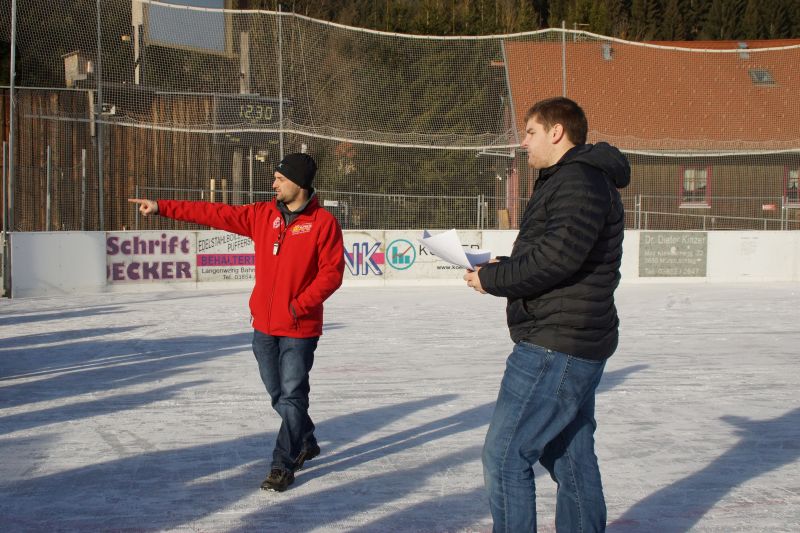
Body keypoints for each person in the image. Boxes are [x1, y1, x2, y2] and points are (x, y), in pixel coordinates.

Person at [129, 152, 344, 492]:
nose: (273, 184)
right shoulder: (262, 215)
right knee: (278, 395)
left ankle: (282, 464)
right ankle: (305, 439)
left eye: (280, 179)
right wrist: (161, 207)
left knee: (292, 395)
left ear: (299, 183)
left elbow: (331, 274)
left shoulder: (323, 223)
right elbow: (214, 213)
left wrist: (297, 307)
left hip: (299, 328)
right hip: (264, 327)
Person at [464, 97, 630, 532]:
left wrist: (493, 280)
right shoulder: (572, 180)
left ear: (557, 132)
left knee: (504, 458)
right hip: (570, 337)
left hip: (556, 344)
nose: (524, 142)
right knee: (570, 457)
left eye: (531, 132)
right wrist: (502, 267)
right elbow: (555, 253)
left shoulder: (579, 181)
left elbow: (557, 260)